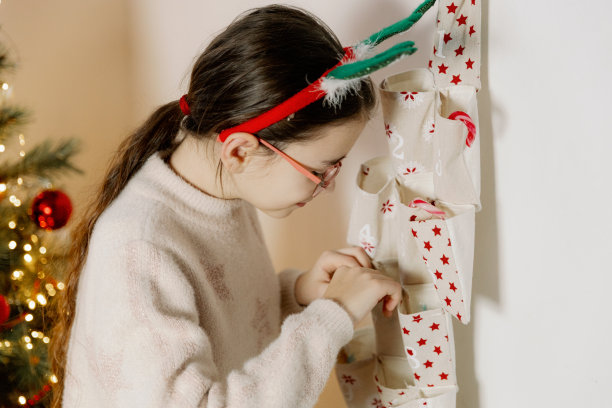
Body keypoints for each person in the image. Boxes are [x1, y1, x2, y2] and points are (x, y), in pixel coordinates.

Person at [49, 4, 403, 408]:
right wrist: (333, 315)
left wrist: (299, 295)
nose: (329, 184)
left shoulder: (224, 191)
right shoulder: (140, 248)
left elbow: (223, 327)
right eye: (321, 169)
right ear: (239, 151)